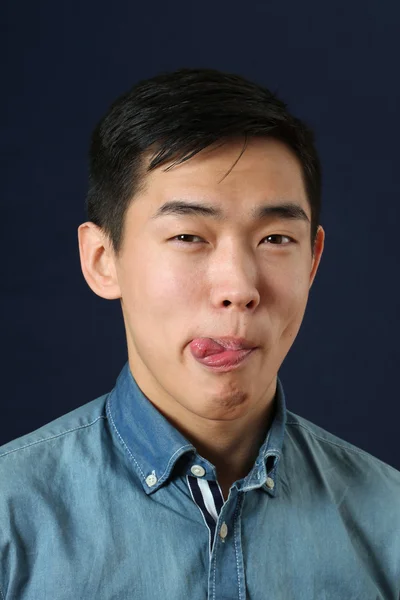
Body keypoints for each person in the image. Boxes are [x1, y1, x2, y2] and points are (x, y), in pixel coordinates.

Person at [0, 68, 399, 600]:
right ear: (102, 260)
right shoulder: (10, 520)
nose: (238, 287)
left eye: (276, 238)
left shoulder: (388, 523)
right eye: (189, 235)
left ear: (313, 262)